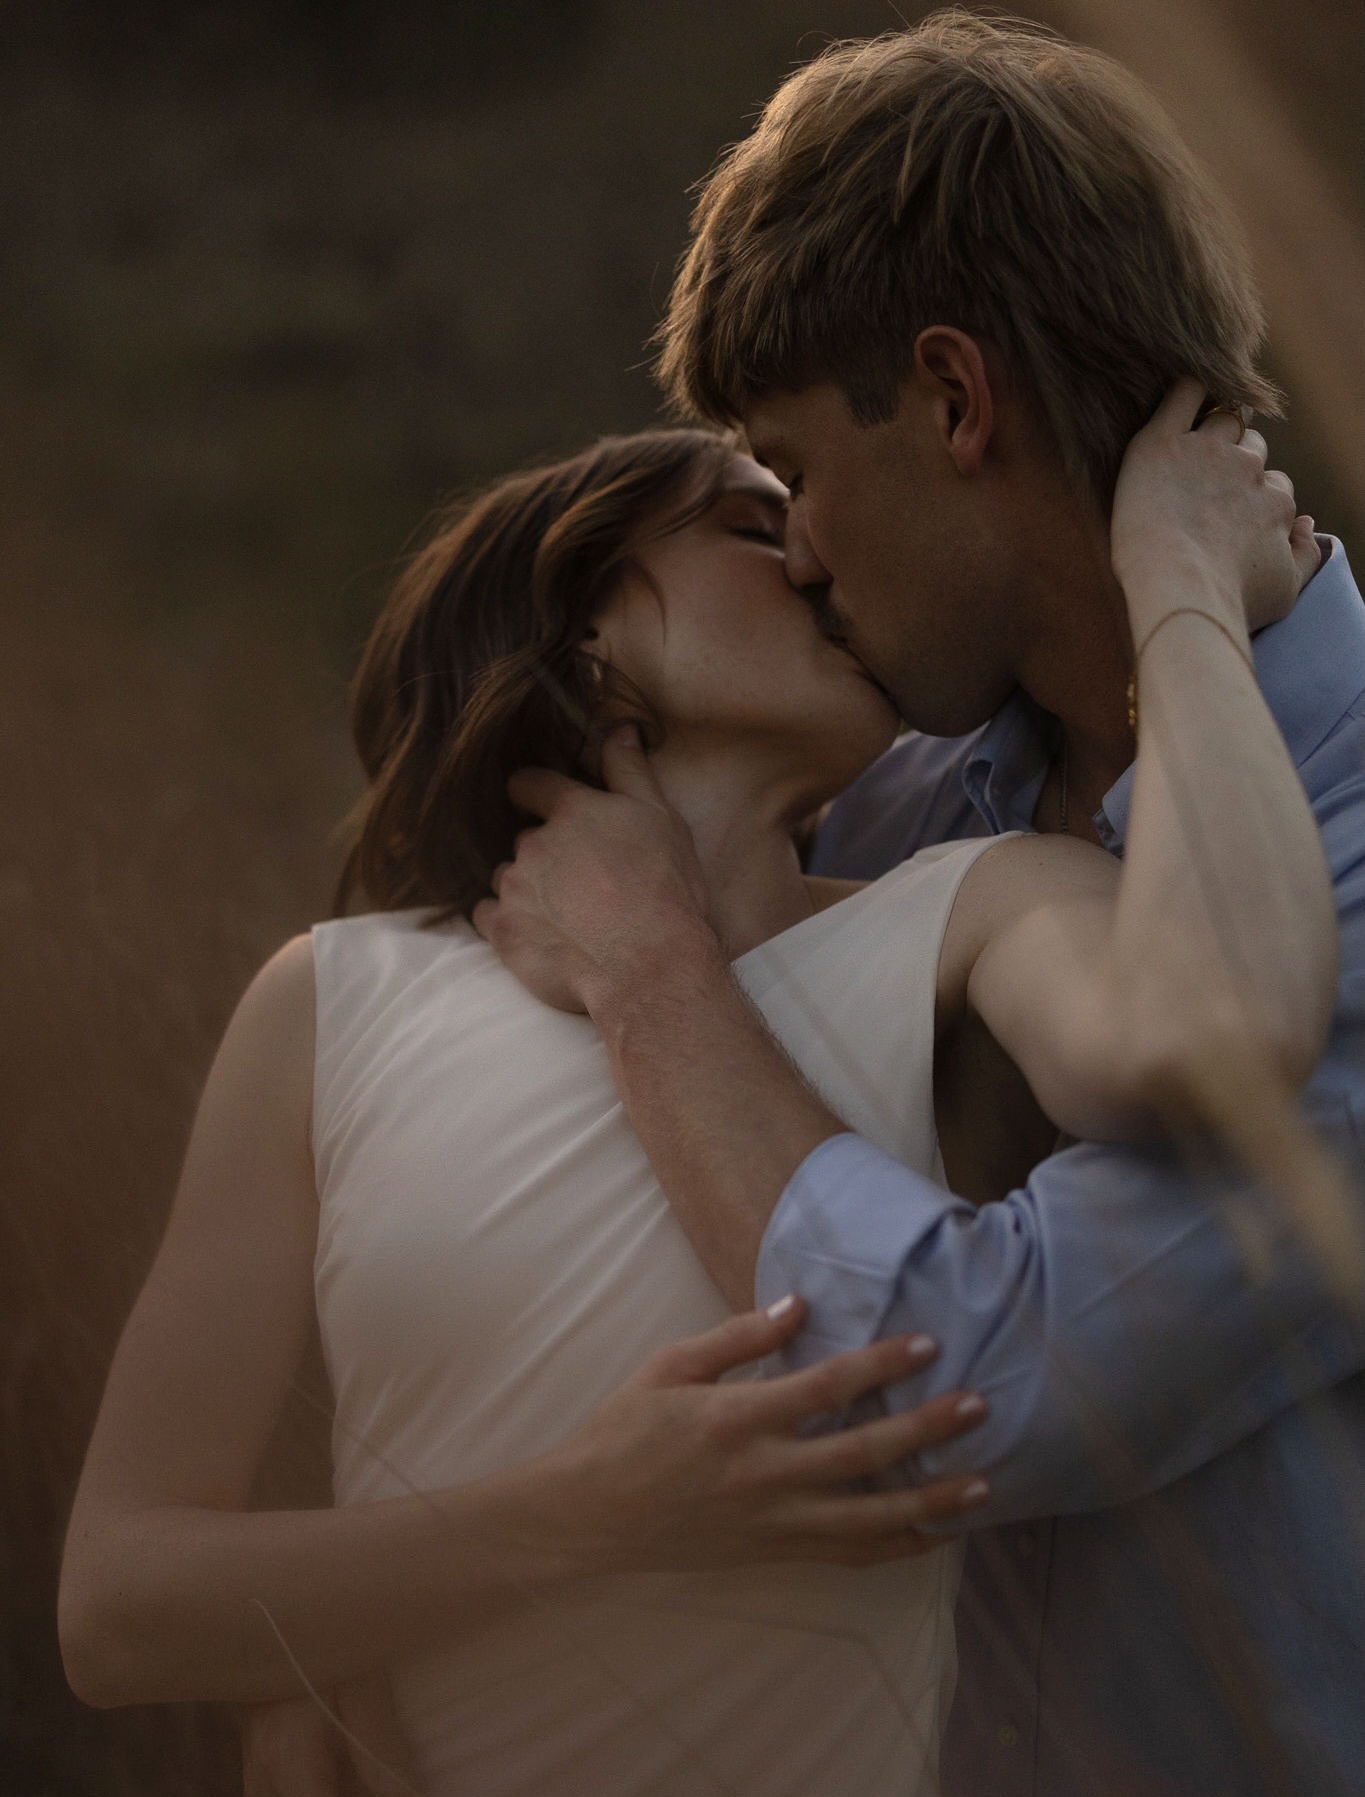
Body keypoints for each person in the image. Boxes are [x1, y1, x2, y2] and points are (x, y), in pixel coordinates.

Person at [59, 384, 1321, 1796]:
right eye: (747, 520)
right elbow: (117, 1604)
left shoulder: (980, 909)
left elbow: (1216, 1023)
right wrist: (570, 1518)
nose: (814, 559)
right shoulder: (332, 1000)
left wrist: (1178, 587)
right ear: (586, 620)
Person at [470, 14, 1365, 1797]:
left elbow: (948, 1388)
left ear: (954, 401)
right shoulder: (907, 778)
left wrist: (654, 974)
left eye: (793, 468)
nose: (790, 546)